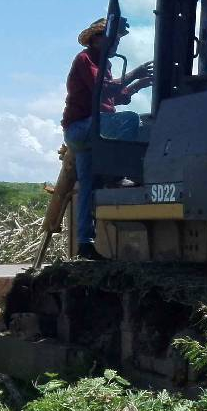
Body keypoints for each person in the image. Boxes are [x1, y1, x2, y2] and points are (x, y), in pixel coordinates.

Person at [61, 17, 153, 260]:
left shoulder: (105, 64)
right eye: (113, 39)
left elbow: (115, 96)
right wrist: (134, 74)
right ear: (97, 40)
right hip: (82, 127)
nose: (116, 44)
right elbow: (102, 88)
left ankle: (85, 243)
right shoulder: (85, 59)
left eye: (118, 40)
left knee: (87, 187)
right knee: (131, 120)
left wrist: (139, 85)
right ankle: (118, 173)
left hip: (89, 133)